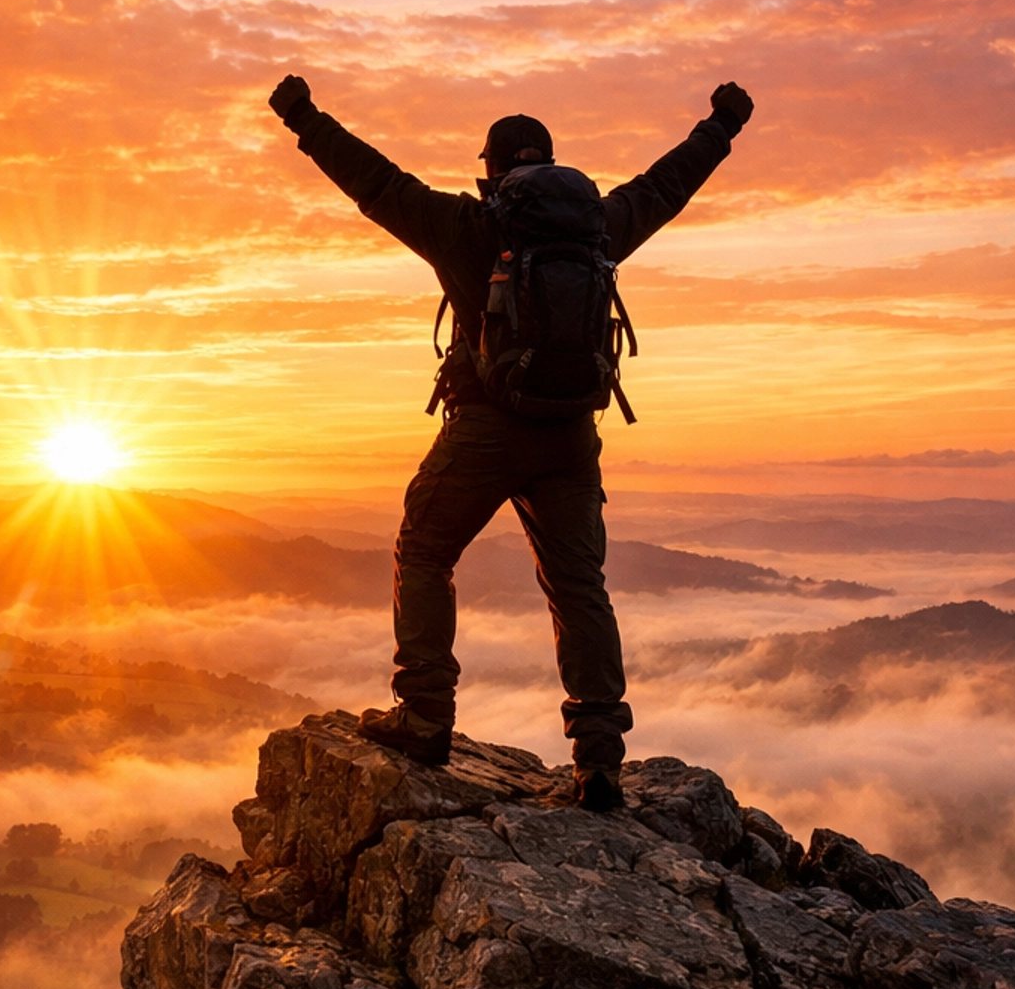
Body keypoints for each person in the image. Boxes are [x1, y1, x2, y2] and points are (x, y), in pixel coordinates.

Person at [267, 72, 754, 809]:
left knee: (424, 549)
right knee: (578, 587)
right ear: (553, 167)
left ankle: (426, 713)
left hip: (488, 429)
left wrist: (304, 118)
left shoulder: (467, 227)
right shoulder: (597, 225)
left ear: (491, 174)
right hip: (569, 437)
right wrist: (721, 126)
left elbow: (372, 179)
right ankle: (598, 761)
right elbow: (666, 184)